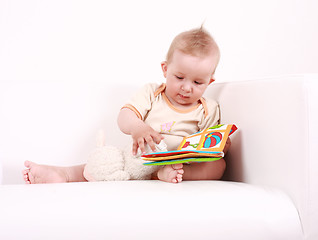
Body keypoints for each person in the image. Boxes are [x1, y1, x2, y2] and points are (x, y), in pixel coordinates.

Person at [22, 26, 230, 184]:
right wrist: (138, 127)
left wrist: (220, 145)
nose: (186, 88)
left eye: (197, 82)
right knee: (108, 164)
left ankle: (168, 174)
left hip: (183, 162)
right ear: (165, 69)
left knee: (219, 166)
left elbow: (209, 141)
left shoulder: (208, 108)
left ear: (209, 82)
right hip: (143, 157)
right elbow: (124, 117)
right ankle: (64, 174)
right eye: (179, 77)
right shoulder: (152, 93)